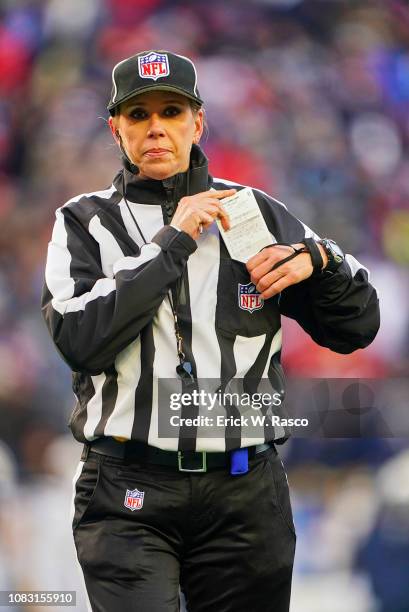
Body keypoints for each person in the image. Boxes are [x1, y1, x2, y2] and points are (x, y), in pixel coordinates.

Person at [41, 50, 380, 612]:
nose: (156, 128)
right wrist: (173, 241)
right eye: (138, 114)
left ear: (197, 122)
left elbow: (357, 327)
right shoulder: (83, 222)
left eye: (171, 111)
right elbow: (79, 339)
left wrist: (323, 266)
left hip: (245, 494)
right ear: (115, 129)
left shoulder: (253, 214)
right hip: (130, 491)